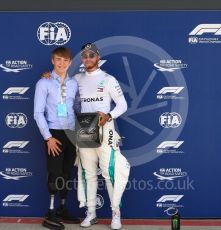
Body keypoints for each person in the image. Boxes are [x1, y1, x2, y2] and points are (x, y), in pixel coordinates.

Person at [42, 43, 130, 230]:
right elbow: (59, 86)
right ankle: (91, 213)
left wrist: (109, 116)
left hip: (105, 129)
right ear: (82, 59)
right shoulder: (76, 79)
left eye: (92, 55)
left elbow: (122, 105)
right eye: (85, 56)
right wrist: (48, 76)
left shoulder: (108, 79)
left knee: (110, 173)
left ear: (98, 57)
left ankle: (116, 213)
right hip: (84, 128)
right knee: (88, 173)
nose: (88, 58)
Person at [34, 47, 80, 230]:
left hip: (71, 134)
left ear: (70, 62)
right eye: (58, 60)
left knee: (67, 172)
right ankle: (50, 212)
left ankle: (62, 208)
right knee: (55, 173)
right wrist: (48, 138)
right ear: (53, 60)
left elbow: (76, 107)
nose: (62, 64)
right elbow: (38, 113)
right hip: (54, 133)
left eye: (65, 61)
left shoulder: (74, 83)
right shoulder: (43, 83)